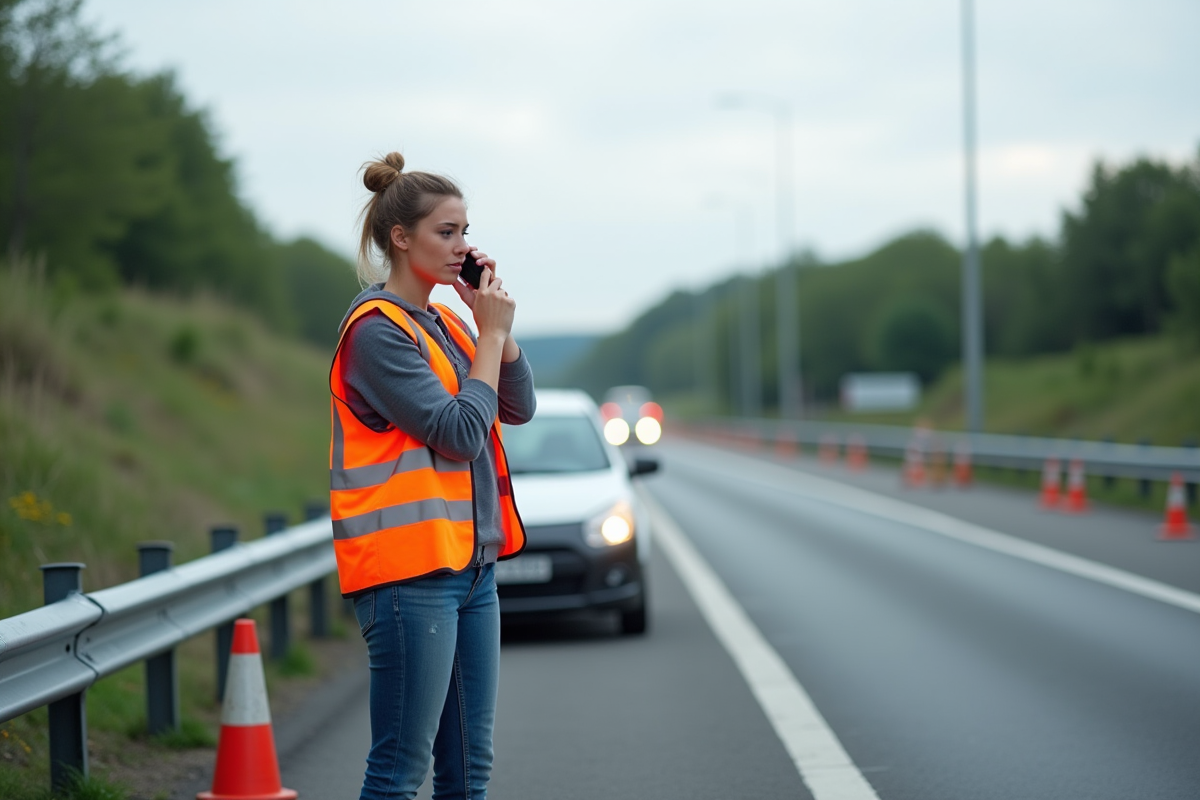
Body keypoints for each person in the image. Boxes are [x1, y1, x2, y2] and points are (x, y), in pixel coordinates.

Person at [328, 151, 535, 800]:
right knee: (398, 770)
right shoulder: (375, 332)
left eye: (465, 232)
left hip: (471, 569)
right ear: (400, 238)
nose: (462, 247)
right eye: (447, 232)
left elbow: (516, 406)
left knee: (470, 767)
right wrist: (489, 343)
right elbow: (456, 433)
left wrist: (494, 328)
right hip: (409, 577)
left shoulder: (447, 321)